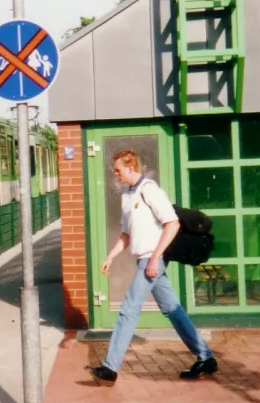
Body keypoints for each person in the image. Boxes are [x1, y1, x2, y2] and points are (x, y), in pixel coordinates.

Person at [86, 149, 217, 386]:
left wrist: (156, 257)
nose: (115, 174)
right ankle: (206, 357)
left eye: (118, 170)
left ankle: (110, 368)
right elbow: (126, 234)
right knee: (173, 310)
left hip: (151, 259)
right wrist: (110, 256)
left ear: (131, 167)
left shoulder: (149, 190)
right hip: (146, 259)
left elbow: (172, 223)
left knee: (129, 308)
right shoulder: (127, 196)